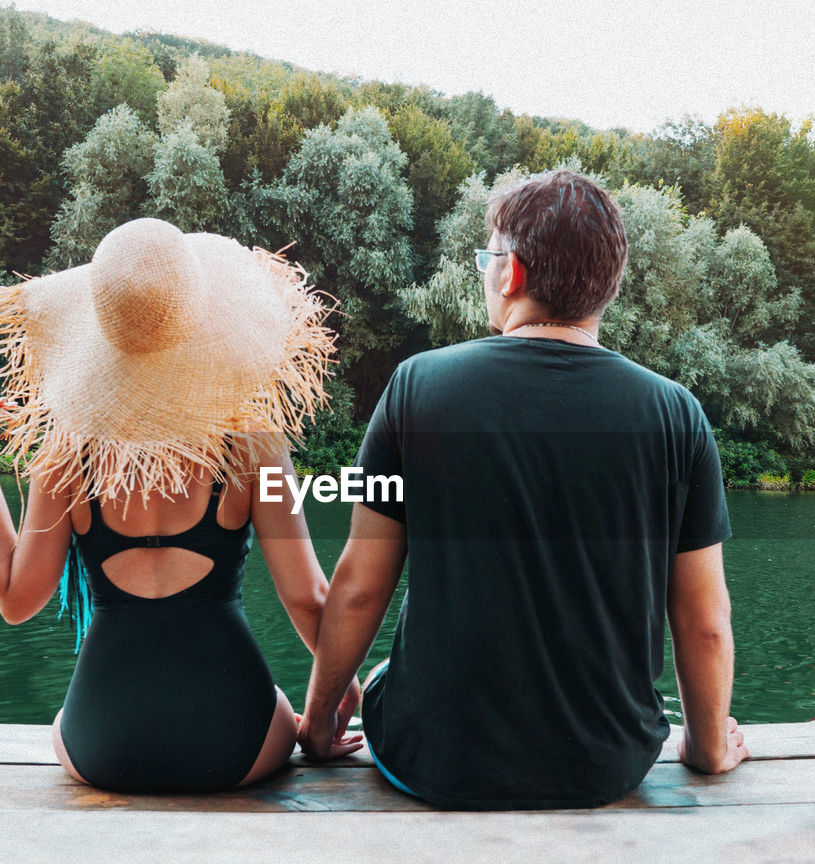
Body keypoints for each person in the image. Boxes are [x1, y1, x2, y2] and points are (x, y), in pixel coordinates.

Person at [298, 169, 749, 809]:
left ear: (510, 275)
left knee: (382, 677)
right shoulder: (677, 415)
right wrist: (706, 749)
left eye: (489, 258)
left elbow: (360, 585)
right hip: (606, 764)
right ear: (605, 290)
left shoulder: (415, 390)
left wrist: (318, 729)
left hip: (437, 761)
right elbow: (704, 621)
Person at [0, 218, 362, 794]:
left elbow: (16, 599)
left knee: (59, 723)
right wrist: (333, 696)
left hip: (103, 747)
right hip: (235, 744)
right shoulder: (253, 443)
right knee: (279, 707)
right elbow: (307, 598)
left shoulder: (66, 454)